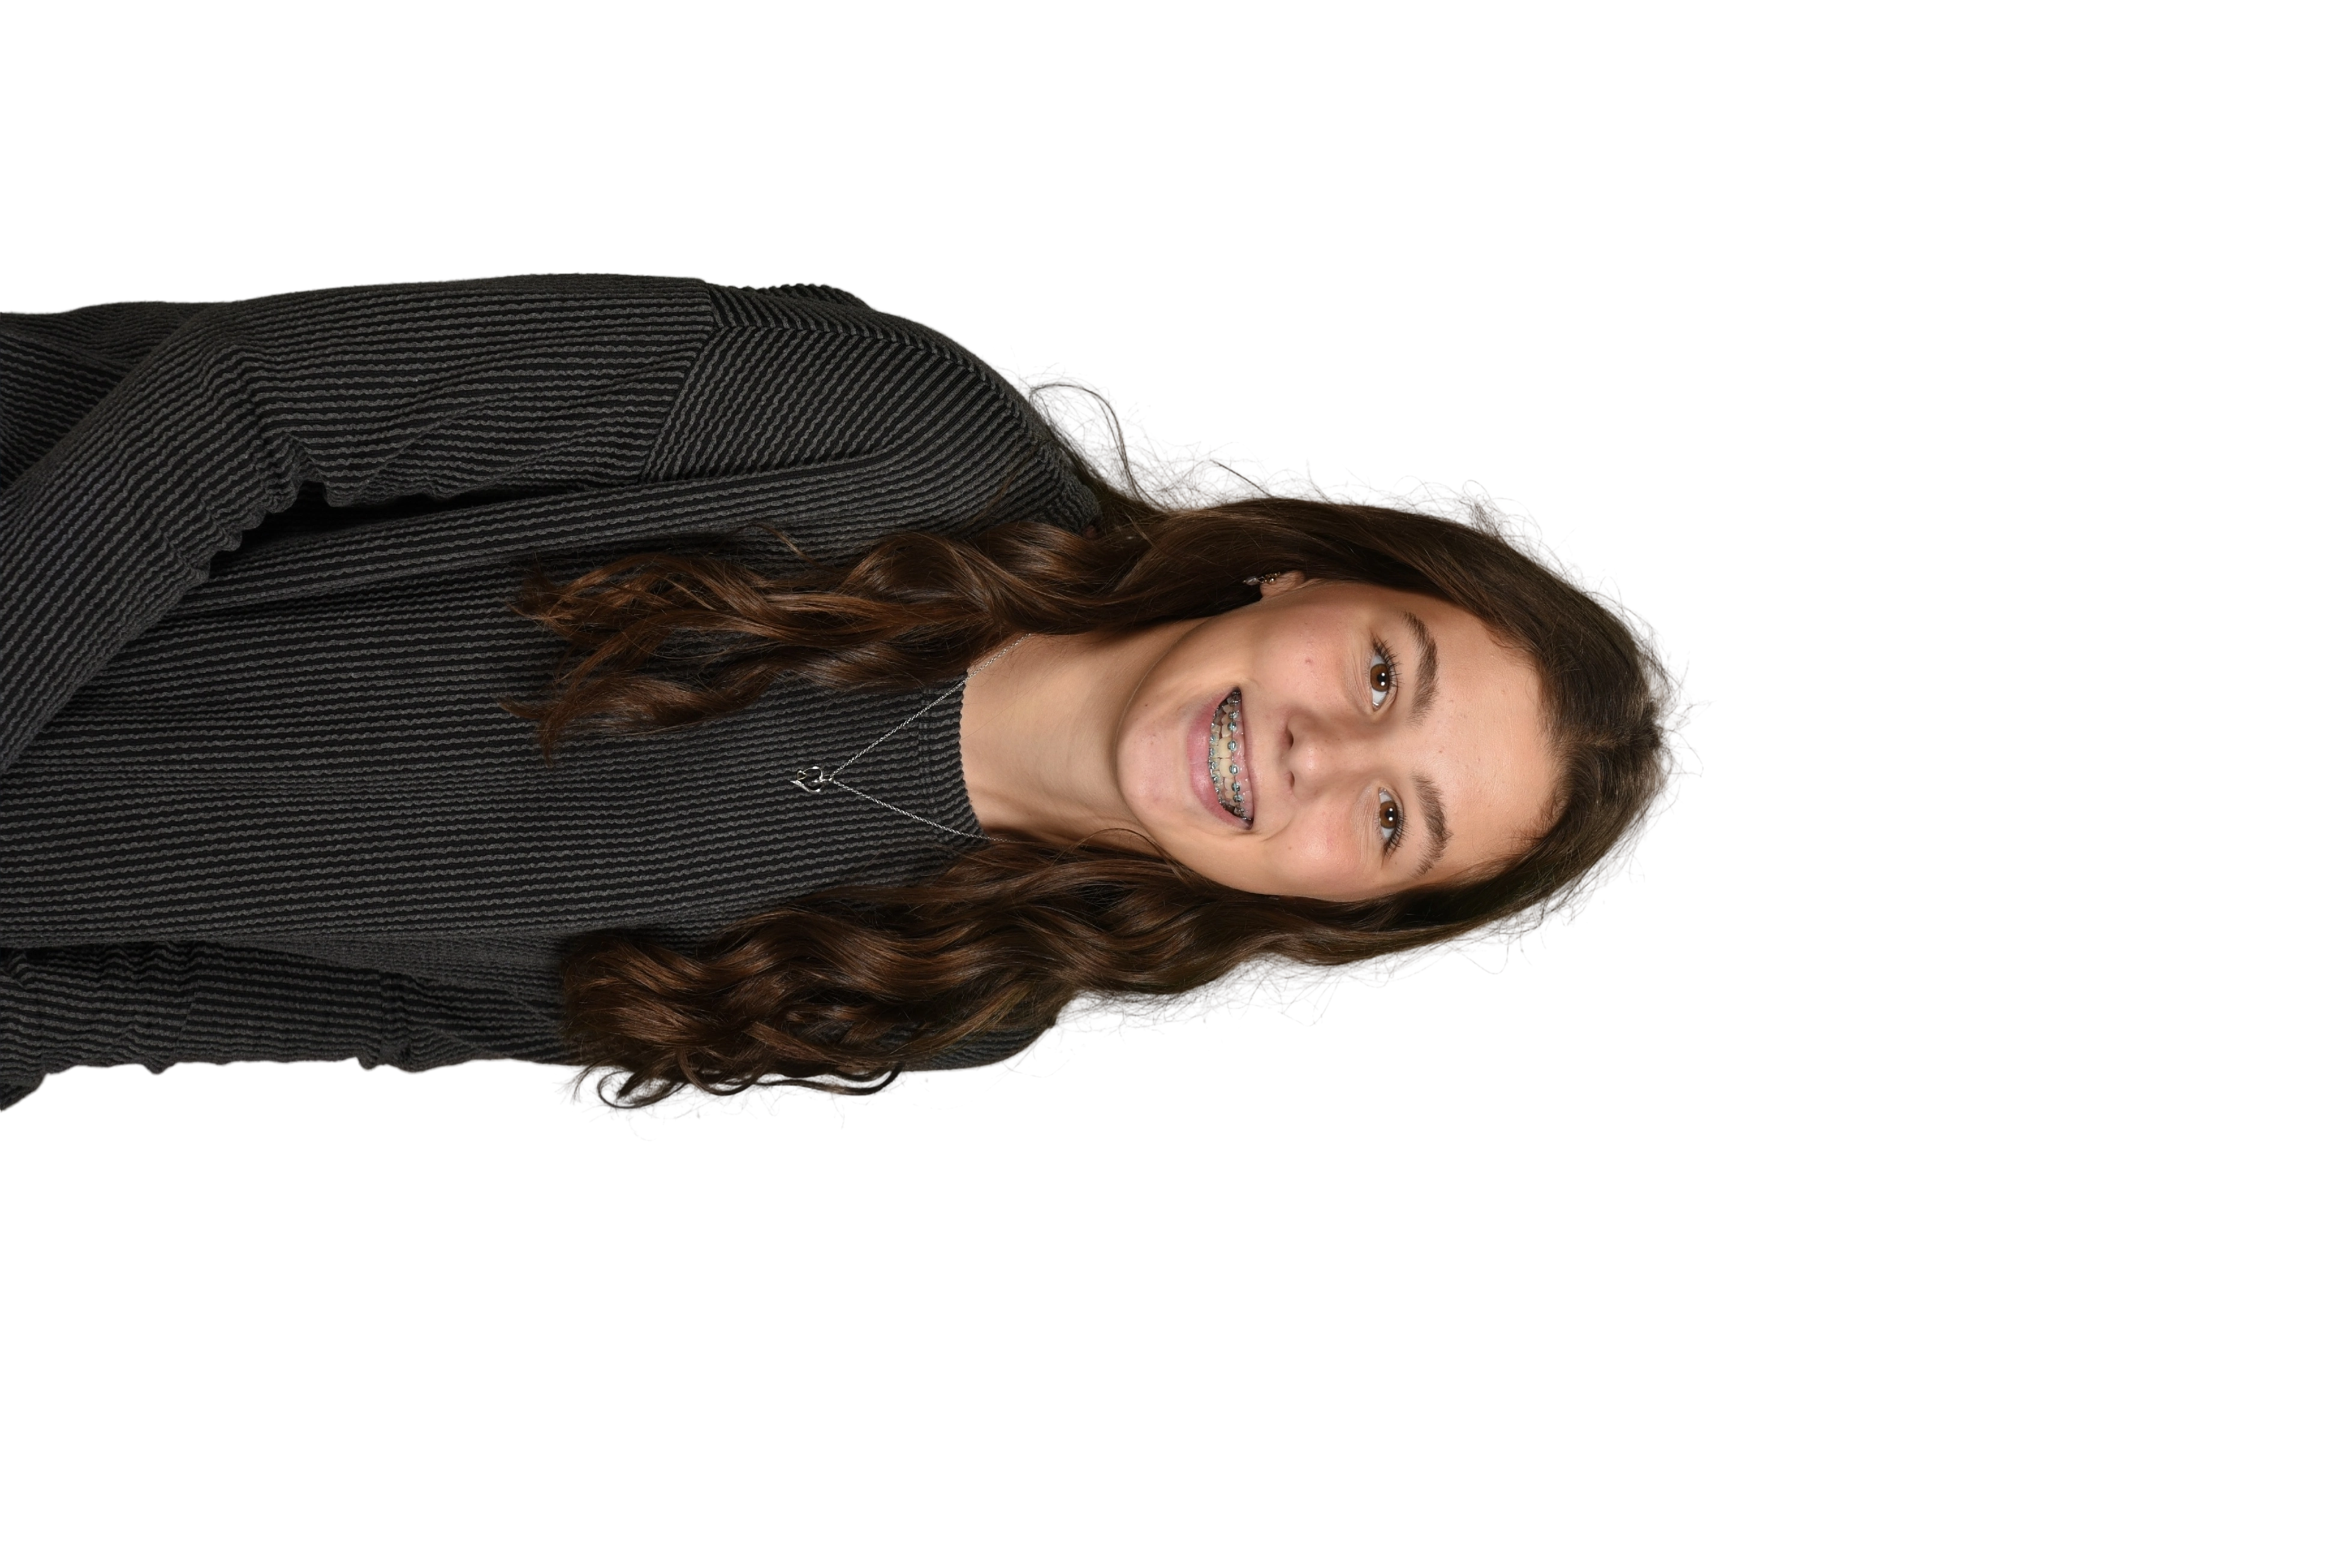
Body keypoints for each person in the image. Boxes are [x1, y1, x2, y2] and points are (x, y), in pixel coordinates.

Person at [0, 270, 1712, 1131]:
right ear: (1301, 576)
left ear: (1330, 907)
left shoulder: (930, 999)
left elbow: (353, 1005)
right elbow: (260, 403)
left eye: (1393, 820)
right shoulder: (887, 422)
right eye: (1383, 673)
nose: (1320, 751)